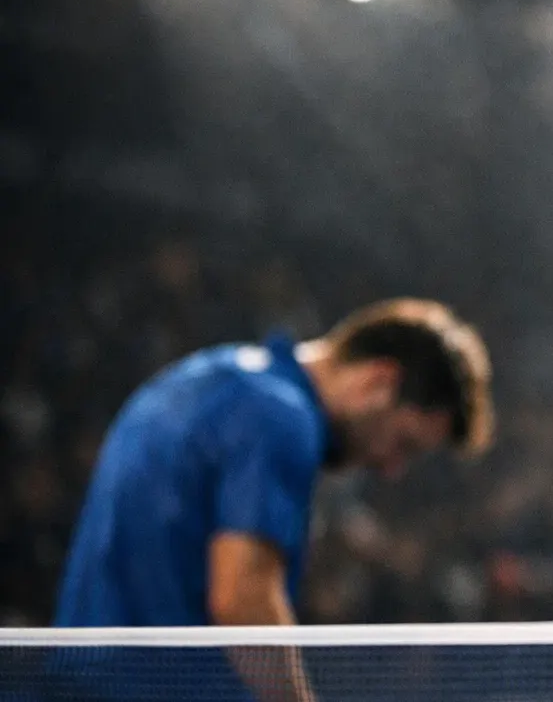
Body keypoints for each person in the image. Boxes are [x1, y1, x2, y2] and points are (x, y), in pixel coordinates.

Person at [51, 298, 493, 700]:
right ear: (379, 380)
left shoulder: (202, 376)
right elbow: (243, 600)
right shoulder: (281, 416)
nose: (392, 468)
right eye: (404, 443)